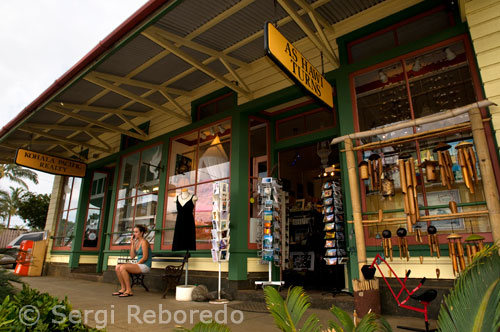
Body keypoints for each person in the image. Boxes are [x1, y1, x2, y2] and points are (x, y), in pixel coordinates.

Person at [112, 224, 152, 297]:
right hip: (139, 265)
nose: (134, 234)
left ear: (141, 233)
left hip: (145, 266)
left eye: (136, 232)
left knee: (123, 267)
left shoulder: (144, 242)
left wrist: (136, 264)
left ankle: (129, 290)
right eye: (134, 232)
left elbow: (145, 257)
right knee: (117, 267)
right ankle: (123, 288)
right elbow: (132, 256)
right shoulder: (137, 242)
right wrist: (132, 243)